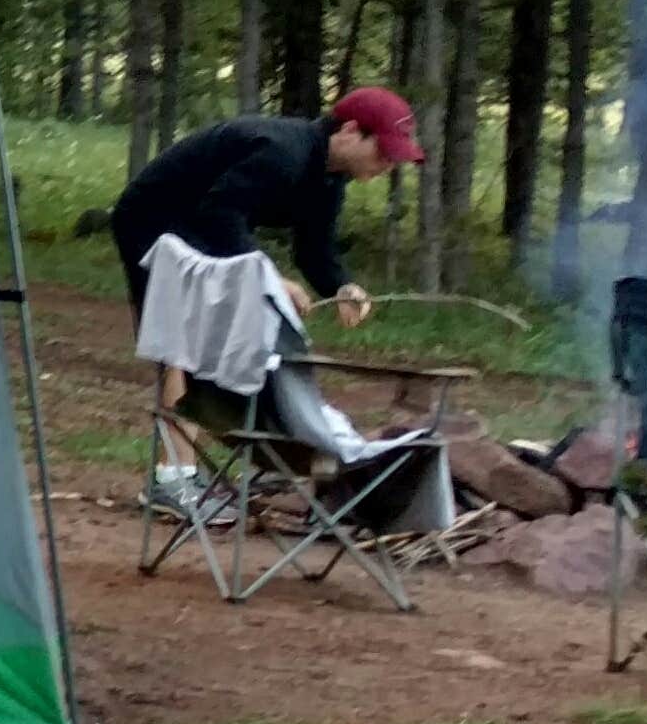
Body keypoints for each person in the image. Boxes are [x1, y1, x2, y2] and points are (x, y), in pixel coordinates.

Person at [105, 90, 424, 517]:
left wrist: (342, 286)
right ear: (350, 131)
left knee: (203, 346)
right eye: (382, 152)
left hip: (196, 229)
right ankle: (171, 480)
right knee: (183, 349)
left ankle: (187, 472)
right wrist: (269, 278)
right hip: (154, 223)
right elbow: (219, 213)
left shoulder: (329, 177)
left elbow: (313, 247)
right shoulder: (282, 152)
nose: (387, 165)